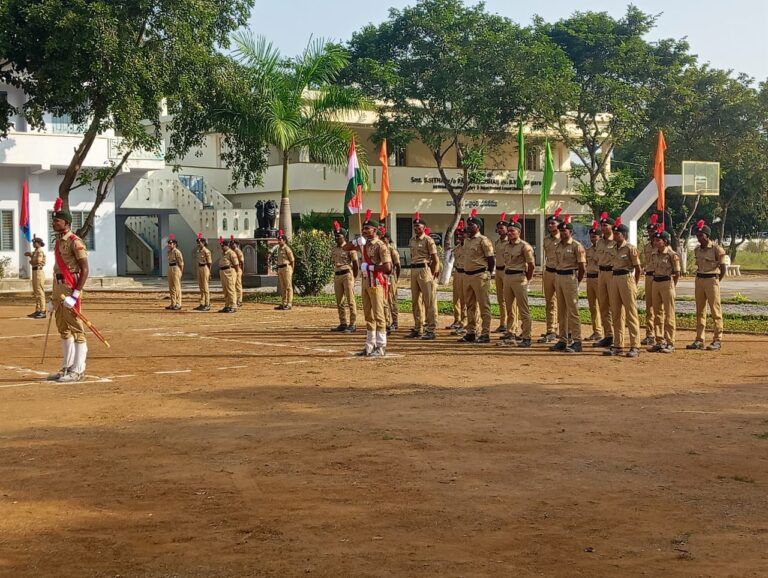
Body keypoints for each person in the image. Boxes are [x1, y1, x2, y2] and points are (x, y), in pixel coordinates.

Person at [46, 197, 89, 383]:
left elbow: (85, 269)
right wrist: (52, 297)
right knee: (63, 328)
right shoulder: (58, 242)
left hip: (71, 287)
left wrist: (76, 294)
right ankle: (66, 367)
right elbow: (57, 269)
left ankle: (78, 369)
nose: (54, 223)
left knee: (76, 328)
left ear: (67, 223)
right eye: (53, 220)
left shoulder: (75, 242)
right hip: (58, 287)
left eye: (57, 220)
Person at [343, 209, 392, 356]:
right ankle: (369, 345)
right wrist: (355, 241)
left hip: (376, 281)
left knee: (378, 314)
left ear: (375, 230)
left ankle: (381, 346)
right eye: (363, 228)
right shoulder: (364, 244)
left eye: (367, 228)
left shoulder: (381, 246)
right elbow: (345, 248)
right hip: (365, 281)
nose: (364, 230)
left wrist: (371, 267)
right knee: (368, 315)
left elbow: (388, 267)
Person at [604, 218, 642, 358]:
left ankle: (635, 345)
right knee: (616, 313)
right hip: (614, 278)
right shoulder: (613, 248)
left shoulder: (631, 248)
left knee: (631, 314)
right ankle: (618, 344)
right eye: (614, 232)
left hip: (627, 278)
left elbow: (638, 269)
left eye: (618, 233)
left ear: (624, 235)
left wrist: (634, 285)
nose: (615, 234)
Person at [687, 219, 726, 351]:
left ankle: (718, 339)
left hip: (711, 279)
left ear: (707, 235)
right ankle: (699, 339)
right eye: (697, 235)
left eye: (701, 235)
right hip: (699, 279)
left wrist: (715, 280)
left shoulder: (716, 249)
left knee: (715, 310)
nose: (699, 238)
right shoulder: (697, 249)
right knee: (700, 310)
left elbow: (723, 268)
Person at [498, 214, 535, 348]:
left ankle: (526, 336)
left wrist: (527, 279)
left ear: (519, 232)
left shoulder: (525, 246)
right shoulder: (506, 246)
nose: (510, 232)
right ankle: (511, 332)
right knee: (510, 308)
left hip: (519, 278)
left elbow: (531, 265)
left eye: (513, 231)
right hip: (507, 277)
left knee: (523, 309)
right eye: (509, 230)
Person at [458, 209, 495, 344]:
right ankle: (471, 331)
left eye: (472, 225)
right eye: (468, 225)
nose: (469, 227)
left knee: (484, 305)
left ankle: (485, 333)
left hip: (480, 275)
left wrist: (489, 273)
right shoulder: (467, 241)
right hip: (467, 275)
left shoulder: (483, 240)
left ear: (478, 227)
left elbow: (491, 259)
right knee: (470, 305)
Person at [551, 215, 586, 353]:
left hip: (570, 277)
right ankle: (563, 339)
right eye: (561, 231)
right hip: (558, 276)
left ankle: (577, 340)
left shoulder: (577, 246)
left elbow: (582, 267)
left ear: (571, 232)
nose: (563, 233)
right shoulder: (558, 246)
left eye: (565, 231)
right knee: (561, 310)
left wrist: (577, 281)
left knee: (573, 310)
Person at [406, 212, 439, 340]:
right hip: (414, 270)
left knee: (429, 300)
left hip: (424, 270)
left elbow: (435, 259)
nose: (416, 229)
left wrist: (432, 273)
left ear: (424, 227)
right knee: (415, 301)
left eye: (418, 227)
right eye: (415, 227)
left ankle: (431, 328)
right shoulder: (412, 240)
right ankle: (418, 327)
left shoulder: (428, 240)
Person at [648, 225, 680, 353]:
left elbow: (677, 273)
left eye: (658, 240)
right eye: (655, 240)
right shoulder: (654, 253)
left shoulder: (672, 255)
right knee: (657, 314)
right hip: (656, 282)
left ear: (665, 241)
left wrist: (672, 285)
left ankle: (670, 342)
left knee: (669, 314)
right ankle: (659, 340)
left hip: (667, 282)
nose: (655, 242)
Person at [539, 207, 563, 343]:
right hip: (549, 272)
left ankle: (564, 330)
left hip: (560, 273)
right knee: (550, 302)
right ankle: (550, 329)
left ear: (559, 225)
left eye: (553, 223)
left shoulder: (564, 239)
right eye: (549, 224)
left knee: (562, 303)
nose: (550, 225)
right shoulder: (546, 240)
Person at [593, 212, 616, 348]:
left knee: (615, 306)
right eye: (602, 225)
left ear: (612, 227)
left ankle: (617, 337)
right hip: (601, 273)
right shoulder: (600, 242)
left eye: (605, 225)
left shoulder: (616, 241)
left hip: (613, 273)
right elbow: (597, 259)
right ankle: (608, 335)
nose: (603, 227)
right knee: (603, 305)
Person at [330, 221, 359, 333]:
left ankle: (353, 323)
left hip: (347, 274)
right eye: (335, 236)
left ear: (344, 236)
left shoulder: (350, 248)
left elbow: (355, 264)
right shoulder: (334, 249)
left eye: (339, 236)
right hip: (337, 275)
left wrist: (354, 277)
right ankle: (343, 322)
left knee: (350, 300)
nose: (336, 238)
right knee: (340, 301)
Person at [641, 214, 660, 346]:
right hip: (649, 276)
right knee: (649, 307)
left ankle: (661, 335)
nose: (651, 233)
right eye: (649, 231)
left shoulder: (661, 246)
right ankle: (650, 334)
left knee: (660, 308)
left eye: (653, 231)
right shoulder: (647, 247)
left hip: (659, 278)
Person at [447, 221, 468, 335]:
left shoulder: (469, 247)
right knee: (456, 298)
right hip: (457, 273)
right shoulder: (457, 248)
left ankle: (464, 322)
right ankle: (457, 319)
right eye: (458, 233)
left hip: (466, 273)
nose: (459, 235)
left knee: (465, 299)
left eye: (462, 234)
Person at [584, 221, 602, 341]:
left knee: (604, 306)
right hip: (590, 278)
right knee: (593, 307)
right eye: (591, 236)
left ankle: (609, 333)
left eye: (594, 236)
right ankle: (597, 331)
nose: (592, 238)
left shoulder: (603, 250)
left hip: (599, 278)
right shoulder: (588, 250)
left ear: (600, 237)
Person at [493, 214, 509, 334]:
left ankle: (511, 323)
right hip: (498, 271)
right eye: (498, 228)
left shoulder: (510, 243)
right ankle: (503, 323)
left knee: (509, 298)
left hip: (507, 271)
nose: (500, 230)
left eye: (502, 228)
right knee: (500, 298)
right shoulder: (497, 242)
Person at [382, 232, 401, 332]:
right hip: (382, 277)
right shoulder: (380, 249)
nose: (382, 240)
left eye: (384, 238)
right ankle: (386, 321)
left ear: (388, 239)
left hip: (391, 276)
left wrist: (395, 278)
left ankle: (395, 321)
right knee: (384, 300)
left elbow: (398, 265)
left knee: (392, 299)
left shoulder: (392, 250)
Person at [25, 236, 47, 318]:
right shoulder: (35, 251)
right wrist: (31, 256)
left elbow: (38, 261)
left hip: (38, 272)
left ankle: (43, 310)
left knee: (39, 291)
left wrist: (31, 258)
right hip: (35, 271)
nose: (33, 244)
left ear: (38, 243)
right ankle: (38, 310)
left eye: (34, 242)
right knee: (36, 291)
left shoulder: (39, 251)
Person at [218, 237, 238, 313]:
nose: (222, 247)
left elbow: (236, 265)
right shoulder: (223, 253)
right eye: (221, 246)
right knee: (225, 289)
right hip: (223, 271)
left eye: (223, 246)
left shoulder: (231, 253)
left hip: (229, 271)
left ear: (227, 246)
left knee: (231, 289)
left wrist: (235, 273)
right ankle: (227, 305)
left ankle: (233, 305)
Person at [275, 231, 295, 311]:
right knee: (283, 287)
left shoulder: (287, 249)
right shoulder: (279, 249)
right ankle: (284, 303)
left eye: (280, 239)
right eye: (278, 239)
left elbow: (292, 260)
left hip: (287, 268)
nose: (279, 241)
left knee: (288, 286)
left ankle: (289, 303)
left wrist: (291, 269)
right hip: (280, 268)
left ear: (284, 240)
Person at [193, 234, 212, 311]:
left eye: (199, 242)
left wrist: (209, 272)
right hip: (200, 268)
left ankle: (207, 304)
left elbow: (209, 262)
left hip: (205, 268)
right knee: (201, 286)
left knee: (205, 287)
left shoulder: (206, 251)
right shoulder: (199, 251)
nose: (198, 244)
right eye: (197, 242)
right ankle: (202, 303)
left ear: (203, 243)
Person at [166, 234, 184, 310]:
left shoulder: (177, 252)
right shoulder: (169, 252)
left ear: (175, 244)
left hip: (176, 268)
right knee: (171, 287)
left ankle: (178, 303)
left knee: (177, 287)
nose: (169, 245)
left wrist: (180, 271)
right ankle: (173, 303)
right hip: (170, 267)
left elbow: (181, 263)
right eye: (169, 244)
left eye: (170, 244)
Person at [231, 238, 245, 308]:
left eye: (233, 244)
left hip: (238, 269)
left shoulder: (238, 251)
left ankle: (239, 301)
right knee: (233, 285)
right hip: (233, 269)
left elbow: (242, 261)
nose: (232, 245)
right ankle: (235, 300)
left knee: (238, 285)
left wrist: (241, 270)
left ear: (236, 244)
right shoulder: (231, 251)